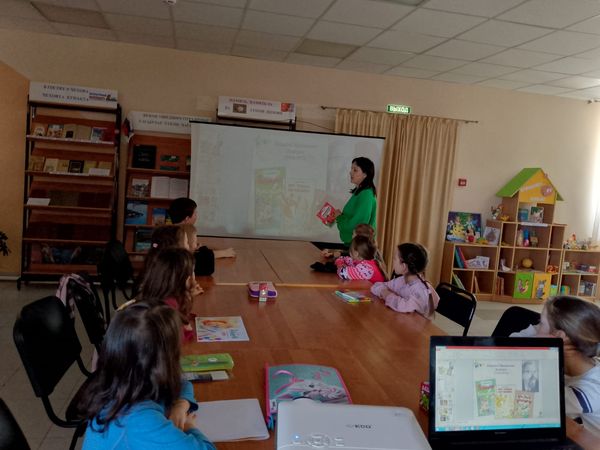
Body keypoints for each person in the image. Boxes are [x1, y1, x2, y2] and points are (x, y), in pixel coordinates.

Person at [76, 303, 215, 450]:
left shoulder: (124, 383)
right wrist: (189, 427)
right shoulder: (139, 420)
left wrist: (181, 405)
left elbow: (181, 382)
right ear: (162, 363)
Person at [511, 296, 600, 436]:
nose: (536, 330)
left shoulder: (586, 392)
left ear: (560, 336)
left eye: (540, 324)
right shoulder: (578, 362)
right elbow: (513, 342)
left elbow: (528, 407)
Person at [139, 248, 199, 342]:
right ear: (186, 279)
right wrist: (188, 331)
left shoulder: (160, 294)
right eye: (192, 272)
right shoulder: (168, 304)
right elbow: (175, 338)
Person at [168, 197, 235, 276]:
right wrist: (223, 253)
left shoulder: (169, 231)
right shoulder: (180, 234)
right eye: (195, 213)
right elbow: (196, 259)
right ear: (187, 218)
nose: (196, 216)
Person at [370, 243, 439, 318]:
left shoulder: (420, 290)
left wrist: (385, 293)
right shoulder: (401, 280)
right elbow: (376, 286)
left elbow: (402, 306)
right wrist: (384, 291)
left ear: (404, 266)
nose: (393, 261)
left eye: (394, 259)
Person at [334, 157, 377, 246]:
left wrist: (339, 217)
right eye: (351, 169)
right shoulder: (361, 192)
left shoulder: (366, 194)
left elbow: (358, 224)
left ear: (365, 174)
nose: (350, 172)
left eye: (355, 170)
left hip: (359, 247)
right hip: (356, 245)